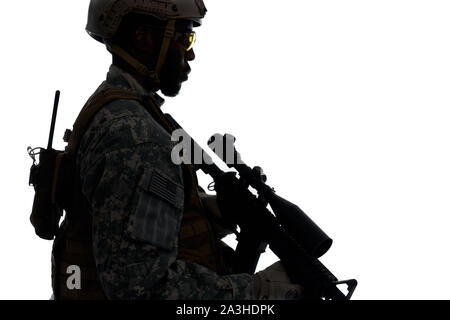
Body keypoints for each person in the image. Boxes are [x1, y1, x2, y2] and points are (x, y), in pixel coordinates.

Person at [51, 0, 303, 300]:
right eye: (185, 38)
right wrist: (260, 292)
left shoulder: (112, 108)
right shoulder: (138, 136)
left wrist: (208, 211)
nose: (191, 53)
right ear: (144, 39)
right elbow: (143, 290)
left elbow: (117, 220)